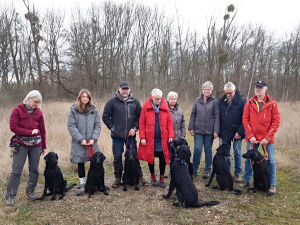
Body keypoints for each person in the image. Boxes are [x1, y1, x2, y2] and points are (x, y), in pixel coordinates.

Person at [102, 81, 148, 188]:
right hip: (117, 137)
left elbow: (140, 118)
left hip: (131, 137)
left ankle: (140, 177)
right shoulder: (112, 102)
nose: (125, 91)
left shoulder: (135, 102)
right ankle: (117, 178)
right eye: (123, 89)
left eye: (127, 89)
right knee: (117, 157)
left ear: (129, 90)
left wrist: (135, 128)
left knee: (134, 157)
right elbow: (105, 117)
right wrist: (113, 128)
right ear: (119, 89)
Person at [5, 90, 46, 205]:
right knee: (16, 171)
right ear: (28, 99)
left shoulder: (39, 113)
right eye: (35, 101)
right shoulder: (17, 111)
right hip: (20, 144)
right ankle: (10, 195)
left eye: (38, 102)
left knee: (34, 169)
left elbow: (42, 130)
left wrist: (44, 146)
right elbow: (13, 127)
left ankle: (30, 192)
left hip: (36, 145)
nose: (36, 104)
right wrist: (29, 132)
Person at [239, 81, 280, 195]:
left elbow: (275, 122)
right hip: (252, 138)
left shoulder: (272, 104)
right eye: (256, 87)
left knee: (270, 160)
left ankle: (272, 184)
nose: (258, 89)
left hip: (267, 138)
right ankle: (247, 180)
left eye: (260, 88)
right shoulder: (249, 102)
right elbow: (245, 119)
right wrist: (250, 135)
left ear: (265, 89)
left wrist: (267, 138)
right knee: (249, 159)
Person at [137, 88, 174, 188]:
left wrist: (171, 135)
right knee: (150, 158)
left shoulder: (165, 107)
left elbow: (170, 123)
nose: (159, 100)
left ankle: (162, 178)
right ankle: (153, 177)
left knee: (163, 158)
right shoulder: (145, 108)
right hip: (149, 139)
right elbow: (141, 123)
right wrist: (142, 137)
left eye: (160, 98)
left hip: (163, 139)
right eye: (157, 99)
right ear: (152, 97)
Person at [67, 89, 101, 195]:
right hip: (79, 143)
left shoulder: (94, 110)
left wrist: (93, 138)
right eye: (83, 97)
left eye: (87, 97)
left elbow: (98, 125)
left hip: (91, 142)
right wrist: (80, 139)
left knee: (95, 163)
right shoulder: (74, 110)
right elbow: (71, 126)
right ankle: (82, 184)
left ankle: (96, 183)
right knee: (80, 163)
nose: (85, 98)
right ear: (80, 98)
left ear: (89, 98)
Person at [188, 81, 219, 179]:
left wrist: (216, 130)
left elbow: (217, 117)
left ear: (211, 90)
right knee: (197, 149)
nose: (207, 91)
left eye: (208, 89)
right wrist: (191, 127)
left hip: (210, 131)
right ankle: (194, 169)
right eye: (205, 89)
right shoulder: (197, 101)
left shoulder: (214, 101)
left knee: (208, 150)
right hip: (198, 130)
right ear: (202, 90)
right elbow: (193, 114)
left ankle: (207, 170)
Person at [219, 82, 246, 182]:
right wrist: (219, 131)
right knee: (226, 153)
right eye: (226, 93)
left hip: (237, 133)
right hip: (225, 132)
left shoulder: (242, 101)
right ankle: (227, 171)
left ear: (234, 91)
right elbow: (219, 117)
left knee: (237, 153)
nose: (228, 95)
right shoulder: (221, 101)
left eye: (230, 93)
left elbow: (245, 119)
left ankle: (237, 172)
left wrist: (240, 131)